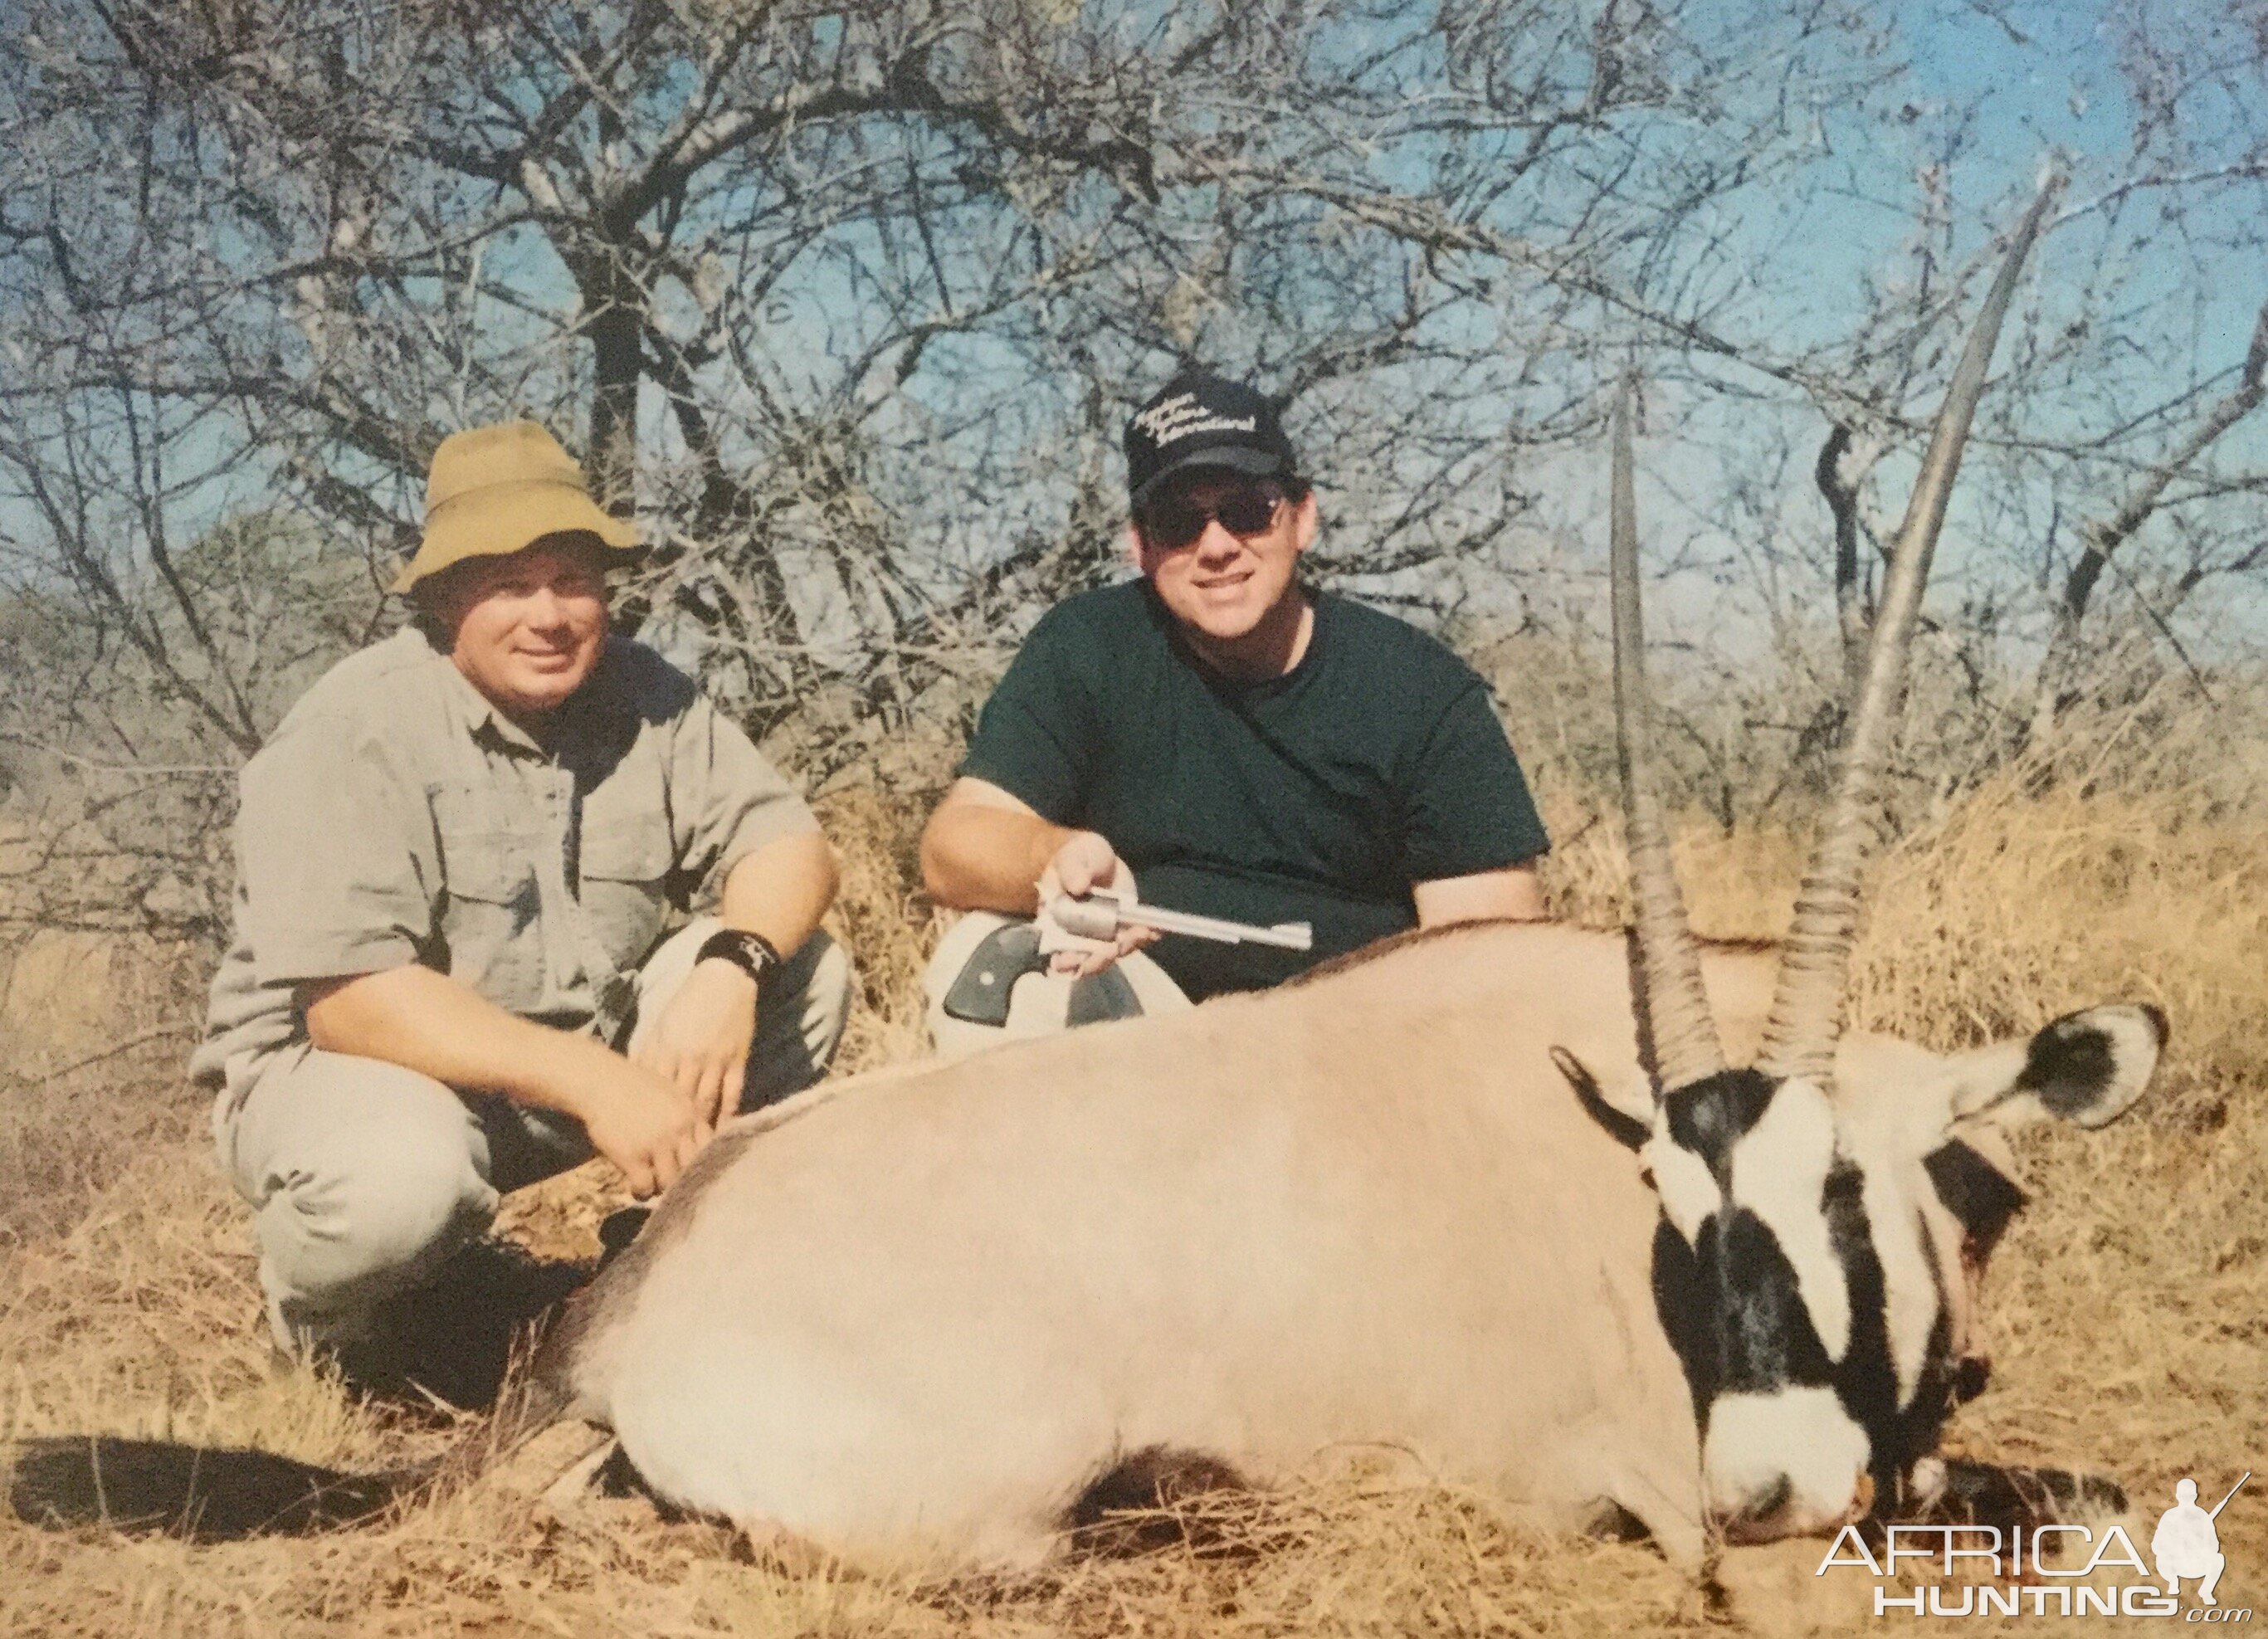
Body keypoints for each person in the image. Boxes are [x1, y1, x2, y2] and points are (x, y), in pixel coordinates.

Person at [190, 420, 853, 1368]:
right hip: (357, 1079)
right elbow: (352, 1007)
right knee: (401, 1185)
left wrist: (730, 967)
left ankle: (666, 1253)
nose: (549, 614)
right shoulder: (349, 730)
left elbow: (790, 847)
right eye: (509, 582)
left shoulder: (646, 691)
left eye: (572, 578)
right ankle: (328, 1331)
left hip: (559, 1071)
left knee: (806, 970)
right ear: (443, 595)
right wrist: (597, 1081)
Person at [919, 368, 1549, 1051]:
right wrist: (1063, 853)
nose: (1217, 546)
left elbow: (1493, 961)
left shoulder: (1419, 688)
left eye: (1248, 510)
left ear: (1302, 517)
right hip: (1147, 1033)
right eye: (1179, 522)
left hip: (1358, 1050)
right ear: (1141, 545)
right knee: (986, 966)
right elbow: (951, 849)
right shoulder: (1087, 645)